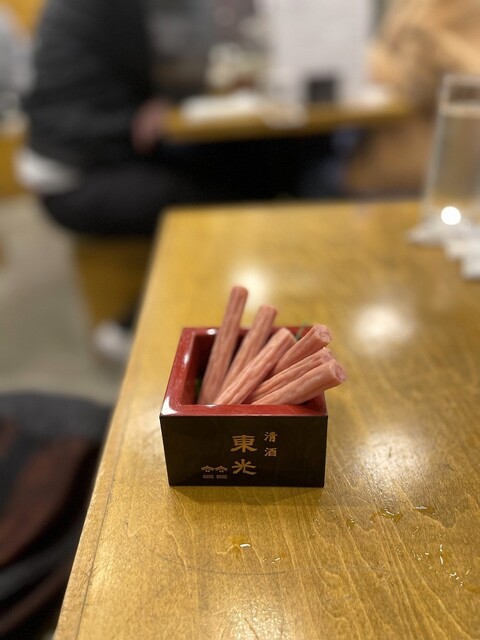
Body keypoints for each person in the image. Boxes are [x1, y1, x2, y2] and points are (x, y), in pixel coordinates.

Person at [16, 0, 332, 362]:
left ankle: (267, 296)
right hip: (76, 180)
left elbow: (177, 69)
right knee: (218, 204)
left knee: (249, 167)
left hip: (93, 153)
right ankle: (130, 329)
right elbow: (181, 66)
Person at [344, 0, 480, 198]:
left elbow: (422, 78)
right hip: (383, 156)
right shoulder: (411, 5)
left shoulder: (462, 10)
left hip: (424, 170)